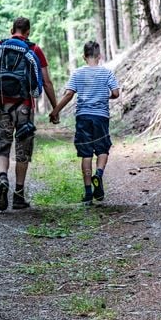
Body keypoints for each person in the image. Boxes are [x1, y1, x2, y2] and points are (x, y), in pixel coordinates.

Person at [0, 17, 57, 211]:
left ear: (12, 29)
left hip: (2, 105)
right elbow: (46, 82)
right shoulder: (34, 49)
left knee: (2, 145)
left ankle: (3, 176)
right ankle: (18, 196)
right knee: (22, 150)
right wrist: (55, 108)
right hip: (25, 107)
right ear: (28, 31)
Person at [49, 41, 120, 205]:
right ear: (99, 56)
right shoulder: (107, 73)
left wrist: (55, 111)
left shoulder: (77, 73)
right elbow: (116, 93)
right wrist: (107, 96)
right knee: (102, 149)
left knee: (86, 153)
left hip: (83, 117)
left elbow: (68, 95)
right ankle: (99, 174)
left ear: (84, 56)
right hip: (101, 117)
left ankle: (88, 192)